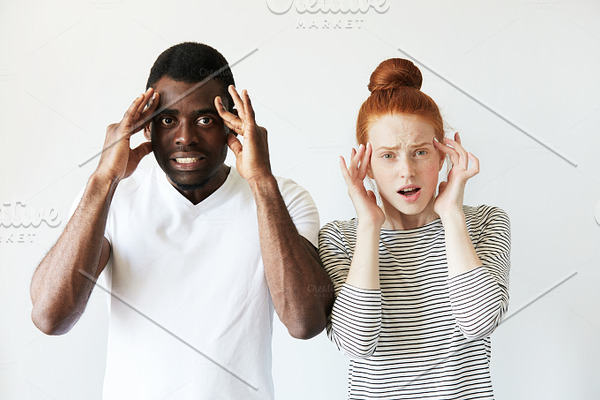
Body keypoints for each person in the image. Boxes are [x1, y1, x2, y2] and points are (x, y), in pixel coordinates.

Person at [30, 42, 333, 399]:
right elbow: (51, 317)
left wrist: (262, 182)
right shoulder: (112, 198)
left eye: (204, 119)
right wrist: (102, 181)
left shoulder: (283, 198)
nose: (185, 137)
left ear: (231, 124)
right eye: (168, 120)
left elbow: (304, 322)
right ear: (145, 128)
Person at [319, 58, 510, 399]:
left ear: (443, 157)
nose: (406, 171)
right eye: (388, 156)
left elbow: (479, 322)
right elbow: (356, 343)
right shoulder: (340, 237)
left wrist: (451, 213)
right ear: (367, 166)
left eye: (420, 152)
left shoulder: (485, 223)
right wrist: (369, 226)